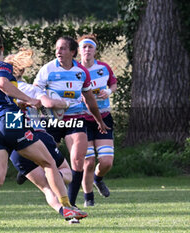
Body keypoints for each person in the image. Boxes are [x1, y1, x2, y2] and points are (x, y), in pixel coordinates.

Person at [0, 30, 87, 221]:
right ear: (1, 48)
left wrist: (20, 102)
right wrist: (30, 99)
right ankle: (67, 206)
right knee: (48, 162)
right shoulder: (2, 66)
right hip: (10, 119)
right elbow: (2, 84)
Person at [5, 49, 82, 223]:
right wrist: (67, 103)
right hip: (37, 137)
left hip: (15, 145)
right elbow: (47, 103)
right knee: (65, 174)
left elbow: (9, 122)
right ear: (22, 70)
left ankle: (67, 216)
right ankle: (55, 180)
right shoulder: (27, 89)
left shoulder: (1, 93)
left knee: (46, 189)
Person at [33, 36, 109, 207]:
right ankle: (26, 169)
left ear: (72, 52)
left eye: (63, 48)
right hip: (52, 120)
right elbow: (35, 90)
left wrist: (99, 120)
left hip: (75, 118)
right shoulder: (48, 69)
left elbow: (89, 99)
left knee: (78, 159)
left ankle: (71, 204)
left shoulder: (81, 72)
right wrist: (45, 99)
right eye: (57, 48)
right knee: (43, 157)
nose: (58, 52)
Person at [78, 34, 117, 207]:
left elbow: (113, 84)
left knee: (107, 162)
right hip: (83, 119)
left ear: (95, 50)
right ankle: (89, 199)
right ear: (78, 50)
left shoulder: (104, 68)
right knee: (89, 161)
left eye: (90, 47)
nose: (87, 50)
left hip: (103, 117)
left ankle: (98, 179)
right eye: (84, 47)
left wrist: (108, 92)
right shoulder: (74, 70)